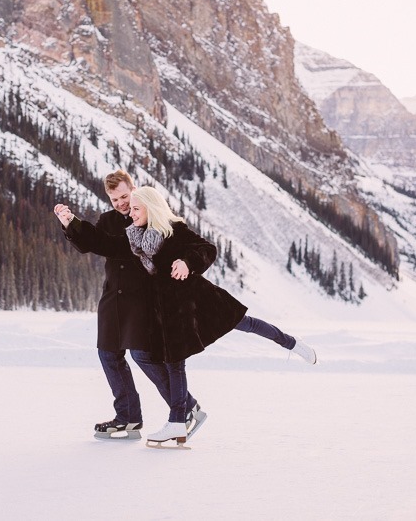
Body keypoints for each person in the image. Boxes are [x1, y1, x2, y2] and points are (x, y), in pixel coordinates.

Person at [61, 185, 317, 447]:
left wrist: (188, 262)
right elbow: (104, 243)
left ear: (151, 208)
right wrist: (71, 222)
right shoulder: (134, 238)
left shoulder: (174, 229)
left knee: (246, 324)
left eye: (136, 208)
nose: (131, 213)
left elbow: (207, 248)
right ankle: (178, 421)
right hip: (170, 310)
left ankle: (292, 343)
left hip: (199, 298)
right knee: (174, 360)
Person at [54, 170, 205, 440]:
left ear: (133, 188)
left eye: (124, 196)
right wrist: (70, 223)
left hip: (141, 298)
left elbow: (118, 246)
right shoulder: (107, 220)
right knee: (108, 354)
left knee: (141, 355)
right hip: (113, 296)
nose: (121, 204)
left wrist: (187, 264)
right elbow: (96, 243)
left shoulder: (149, 216)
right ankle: (128, 417)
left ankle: (186, 406)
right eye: (114, 199)